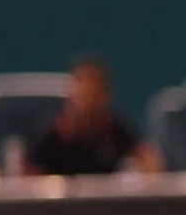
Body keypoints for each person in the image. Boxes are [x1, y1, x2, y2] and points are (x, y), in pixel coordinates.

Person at [26, 58, 163, 177]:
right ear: (72, 95)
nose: (88, 105)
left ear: (105, 96)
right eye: (84, 96)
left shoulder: (117, 129)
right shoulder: (49, 133)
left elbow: (147, 160)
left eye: (94, 96)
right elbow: (26, 178)